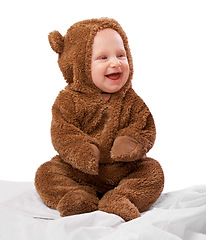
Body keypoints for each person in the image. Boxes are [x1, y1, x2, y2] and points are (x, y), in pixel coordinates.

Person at [35, 17, 164, 221]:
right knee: (46, 173)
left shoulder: (131, 99)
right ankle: (77, 198)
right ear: (79, 64)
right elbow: (62, 132)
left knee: (152, 171)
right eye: (103, 58)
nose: (116, 62)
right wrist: (82, 150)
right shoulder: (68, 100)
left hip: (122, 170)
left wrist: (130, 141)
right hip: (80, 172)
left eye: (121, 55)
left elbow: (144, 126)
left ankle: (120, 199)